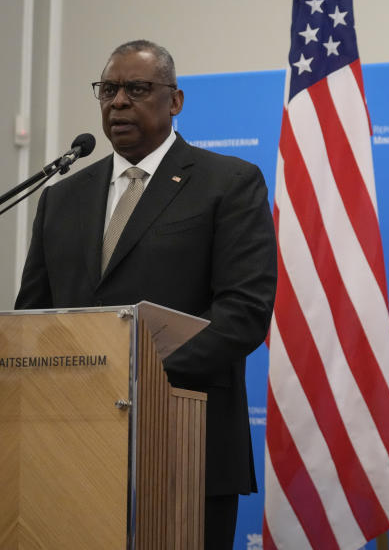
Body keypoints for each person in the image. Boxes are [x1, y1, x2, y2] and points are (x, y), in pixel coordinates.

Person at [15, 40, 278, 548]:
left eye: (137, 89)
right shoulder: (61, 197)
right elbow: (33, 316)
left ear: (175, 101)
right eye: (108, 89)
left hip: (184, 441)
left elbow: (242, 313)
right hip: (69, 445)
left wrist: (131, 371)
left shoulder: (228, 183)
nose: (118, 102)